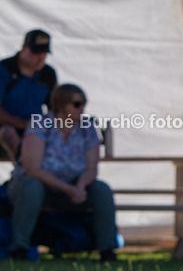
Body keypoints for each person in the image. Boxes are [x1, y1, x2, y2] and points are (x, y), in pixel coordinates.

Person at [6, 84, 118, 261]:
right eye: (77, 104)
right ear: (61, 105)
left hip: (73, 187)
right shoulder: (40, 125)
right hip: (39, 186)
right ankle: (19, 249)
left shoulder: (87, 128)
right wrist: (69, 189)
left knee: (101, 190)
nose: (82, 109)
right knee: (31, 187)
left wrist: (80, 186)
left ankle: (107, 250)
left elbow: (91, 168)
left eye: (84, 104)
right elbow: (32, 169)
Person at [0, 30, 58, 160]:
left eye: (44, 54)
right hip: (4, 129)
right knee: (8, 132)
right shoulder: (4, 69)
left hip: (35, 130)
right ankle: (24, 166)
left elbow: (55, 109)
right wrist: (22, 123)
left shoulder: (48, 74)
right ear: (23, 49)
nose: (40, 59)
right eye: (36, 53)